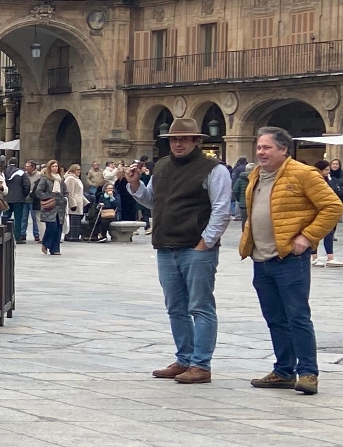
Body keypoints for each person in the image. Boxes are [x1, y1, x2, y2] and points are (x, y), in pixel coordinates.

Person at [127, 117, 232, 385]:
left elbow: (222, 209)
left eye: (184, 139)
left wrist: (205, 242)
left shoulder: (213, 169)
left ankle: (201, 364)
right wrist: (136, 185)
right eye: (174, 139)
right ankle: (184, 359)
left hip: (195, 248)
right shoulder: (161, 166)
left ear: (197, 141)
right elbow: (153, 201)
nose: (178, 143)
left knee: (200, 306)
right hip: (166, 246)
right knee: (175, 308)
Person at [241, 127, 341, 396]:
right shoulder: (256, 176)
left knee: (297, 316)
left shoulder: (303, 173)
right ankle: (284, 371)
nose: (261, 152)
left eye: (267, 147)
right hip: (261, 258)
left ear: (284, 149)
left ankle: (308, 372)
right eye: (259, 147)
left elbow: (333, 206)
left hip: (289, 259)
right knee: (275, 317)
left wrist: (307, 237)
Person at [31, 160, 66, 255]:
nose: (55, 168)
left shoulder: (61, 179)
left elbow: (65, 191)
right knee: (52, 227)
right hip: (50, 206)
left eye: (56, 166)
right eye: (53, 166)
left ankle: (55, 249)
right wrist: (49, 197)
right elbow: (39, 191)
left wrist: (65, 198)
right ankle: (46, 244)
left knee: (59, 228)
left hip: (60, 208)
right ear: (49, 168)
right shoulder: (45, 179)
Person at [312, 159, 342, 267]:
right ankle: (314, 257)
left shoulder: (328, 179)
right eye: (326, 170)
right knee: (316, 234)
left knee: (329, 233)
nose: (328, 172)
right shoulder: (314, 180)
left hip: (327, 209)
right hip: (317, 210)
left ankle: (330, 258)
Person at [4, 159, 32, 242]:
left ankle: (5, 235)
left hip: (6, 198)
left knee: (6, 218)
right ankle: (17, 237)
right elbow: (27, 185)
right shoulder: (21, 173)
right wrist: (24, 195)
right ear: (17, 163)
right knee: (18, 219)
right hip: (18, 199)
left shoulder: (3, 172)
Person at [64, 163, 87, 241]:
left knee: (76, 222)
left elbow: (79, 192)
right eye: (77, 169)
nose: (79, 171)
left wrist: (86, 202)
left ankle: (75, 236)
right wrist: (73, 204)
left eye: (80, 169)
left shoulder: (77, 179)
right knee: (73, 222)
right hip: (74, 204)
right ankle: (71, 236)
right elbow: (70, 192)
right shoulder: (70, 179)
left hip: (79, 202)